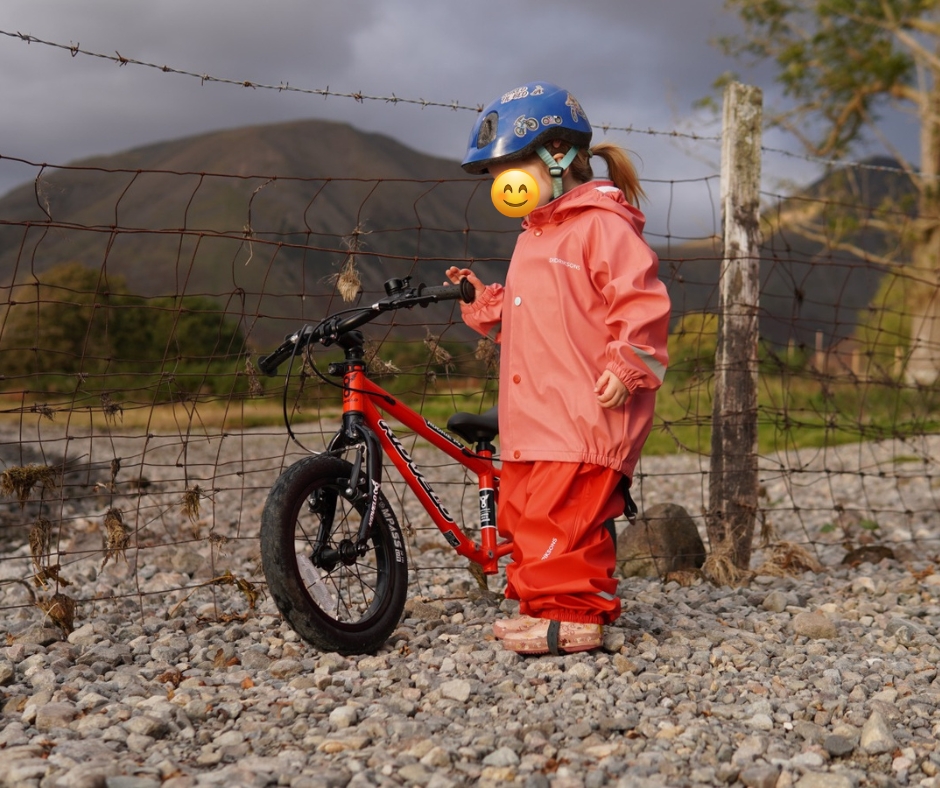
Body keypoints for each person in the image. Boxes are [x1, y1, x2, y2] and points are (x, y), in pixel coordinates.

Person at [446, 81, 671, 655]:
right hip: (534, 416)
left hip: (584, 411)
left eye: (513, 164)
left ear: (557, 156)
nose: (505, 182)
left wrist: (627, 365)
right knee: (526, 514)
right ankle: (545, 606)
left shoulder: (601, 226)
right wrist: (486, 306)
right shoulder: (535, 237)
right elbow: (536, 310)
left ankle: (573, 614)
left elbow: (641, 302)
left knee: (562, 517)